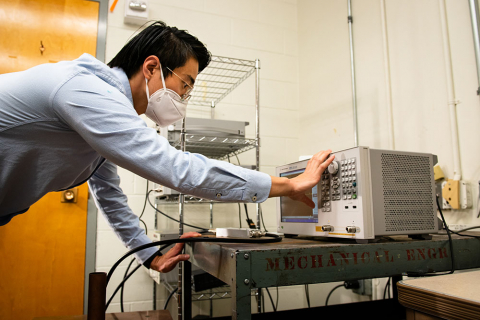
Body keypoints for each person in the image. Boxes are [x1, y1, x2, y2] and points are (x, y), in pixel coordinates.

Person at [0, 21, 334, 272]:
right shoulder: (84, 91)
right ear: (151, 67)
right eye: (185, 85)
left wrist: (150, 254)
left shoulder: (102, 108)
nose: (184, 99)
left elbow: (109, 195)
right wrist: (289, 185)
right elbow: (176, 168)